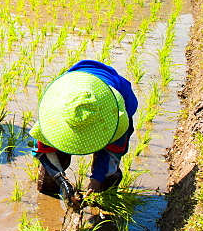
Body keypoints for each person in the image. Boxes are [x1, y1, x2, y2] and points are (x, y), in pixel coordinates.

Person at [30, 60, 138, 201]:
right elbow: (42, 150)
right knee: (50, 175)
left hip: (112, 103)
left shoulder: (118, 117)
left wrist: (97, 179)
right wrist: (62, 181)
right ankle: (50, 194)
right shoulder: (55, 112)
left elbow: (113, 152)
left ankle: (105, 199)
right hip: (74, 93)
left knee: (106, 180)